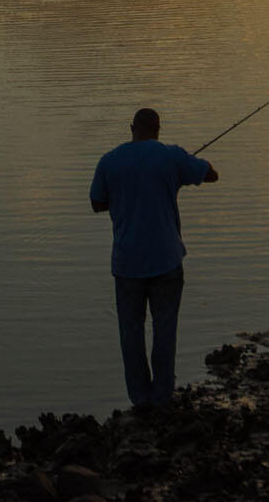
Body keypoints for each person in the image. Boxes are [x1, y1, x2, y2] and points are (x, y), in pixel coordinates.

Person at [88, 107, 219, 408]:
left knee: (130, 333)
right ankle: (162, 396)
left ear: (131, 128)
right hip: (166, 261)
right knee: (164, 329)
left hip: (127, 263)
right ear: (158, 129)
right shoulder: (171, 156)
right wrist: (185, 172)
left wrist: (123, 197)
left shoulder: (109, 160)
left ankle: (140, 399)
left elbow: (96, 203)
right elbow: (211, 175)